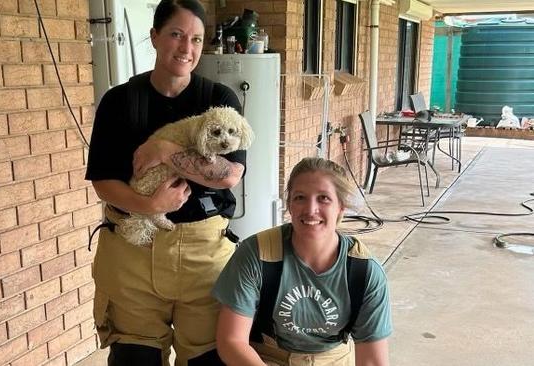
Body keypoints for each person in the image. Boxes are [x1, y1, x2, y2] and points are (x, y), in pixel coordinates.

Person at [84, 0, 246, 365]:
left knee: (209, 358)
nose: (186, 48)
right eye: (176, 34)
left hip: (203, 254)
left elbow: (230, 174)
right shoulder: (119, 102)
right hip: (132, 252)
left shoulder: (218, 101)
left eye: (196, 39)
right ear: (154, 36)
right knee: (134, 357)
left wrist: (165, 150)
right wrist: (150, 206)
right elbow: (104, 181)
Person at [212, 157, 392, 366]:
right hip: (267, 357)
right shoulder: (257, 253)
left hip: (332, 358)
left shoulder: (364, 272)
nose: (310, 209)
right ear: (289, 204)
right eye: (300, 198)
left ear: (341, 207)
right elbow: (231, 341)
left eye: (324, 198)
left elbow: (372, 360)